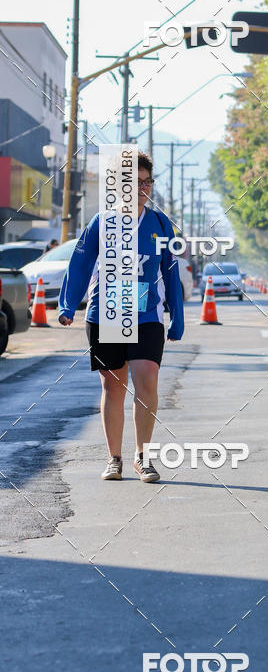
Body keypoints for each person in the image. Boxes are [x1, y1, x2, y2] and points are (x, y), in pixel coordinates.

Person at [58, 152, 184, 482]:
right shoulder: (103, 221)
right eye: (133, 182)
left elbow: (170, 272)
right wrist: (68, 304)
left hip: (147, 315)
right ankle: (114, 458)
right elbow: (81, 264)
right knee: (113, 387)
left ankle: (143, 457)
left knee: (147, 379)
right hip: (109, 310)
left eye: (146, 182)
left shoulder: (160, 224)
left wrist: (177, 313)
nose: (141, 188)